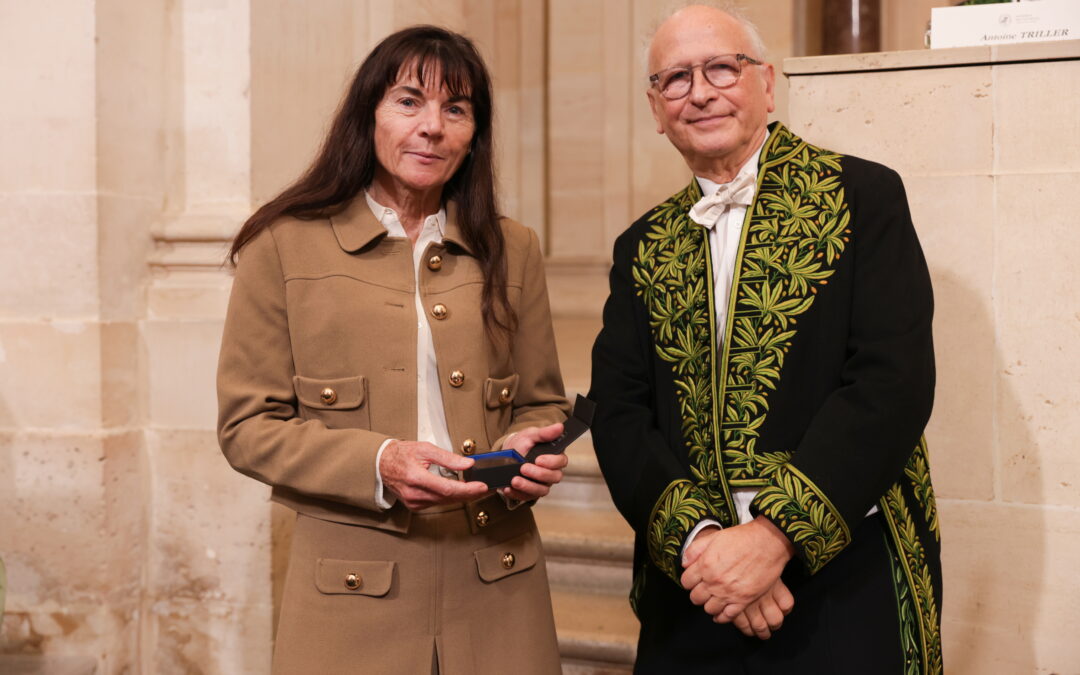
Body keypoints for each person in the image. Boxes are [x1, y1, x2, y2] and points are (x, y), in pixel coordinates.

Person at [588, 4, 942, 673]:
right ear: (656, 108)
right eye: (676, 79)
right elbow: (618, 412)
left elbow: (892, 383)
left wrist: (774, 537)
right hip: (694, 584)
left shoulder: (864, 196)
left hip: (846, 573)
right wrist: (703, 543)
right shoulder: (640, 245)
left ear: (767, 84)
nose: (701, 91)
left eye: (723, 67)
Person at [217, 25, 569, 675]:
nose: (432, 126)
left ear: (473, 135)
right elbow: (247, 428)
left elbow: (539, 399)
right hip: (350, 592)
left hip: (499, 580)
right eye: (409, 101)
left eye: (455, 108)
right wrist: (382, 461)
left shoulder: (514, 247)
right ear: (368, 115)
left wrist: (532, 447)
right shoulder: (281, 245)